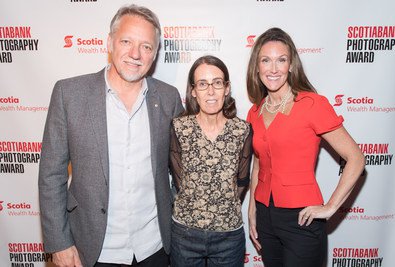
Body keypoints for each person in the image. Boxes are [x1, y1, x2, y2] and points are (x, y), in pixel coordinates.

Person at [38, 4, 184, 267]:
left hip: (155, 248)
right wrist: (59, 244)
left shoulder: (169, 98)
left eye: (146, 46)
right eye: (126, 41)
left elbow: (182, 169)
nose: (135, 54)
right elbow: (51, 175)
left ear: (154, 54)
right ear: (110, 43)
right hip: (92, 251)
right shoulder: (69, 94)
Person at [246, 27, 365, 267]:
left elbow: (356, 158)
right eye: (266, 60)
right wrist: (252, 209)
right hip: (265, 216)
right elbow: (258, 162)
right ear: (257, 67)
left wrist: (331, 207)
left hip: (302, 218)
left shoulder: (312, 104)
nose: (273, 68)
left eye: (281, 60)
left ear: (291, 65)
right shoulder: (255, 111)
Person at [169, 55, 253, 267]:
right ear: (193, 91)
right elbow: (179, 181)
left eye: (217, 82)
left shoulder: (241, 130)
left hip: (229, 236)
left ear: (227, 88)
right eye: (202, 84)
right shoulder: (179, 127)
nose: (211, 91)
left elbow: (242, 182)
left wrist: (221, 206)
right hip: (185, 233)